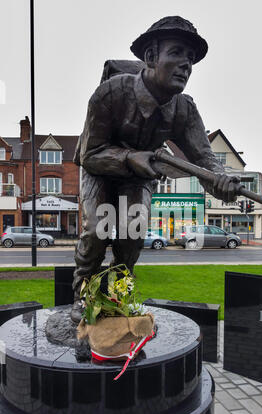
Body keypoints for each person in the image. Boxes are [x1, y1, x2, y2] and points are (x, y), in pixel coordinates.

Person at [71, 16, 239, 322]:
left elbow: (205, 158)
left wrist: (221, 180)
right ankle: (83, 297)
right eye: (176, 53)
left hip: (139, 176)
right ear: (150, 56)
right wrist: (130, 157)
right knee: (98, 228)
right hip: (99, 166)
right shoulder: (110, 93)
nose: (186, 65)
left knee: (132, 235)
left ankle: (120, 297)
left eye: (190, 59)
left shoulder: (184, 109)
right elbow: (90, 153)